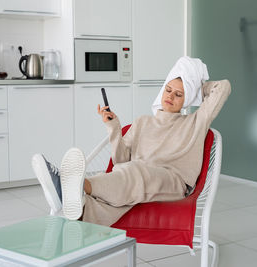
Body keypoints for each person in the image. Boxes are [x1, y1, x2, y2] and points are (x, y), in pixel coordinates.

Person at [32, 56, 231, 226]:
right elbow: (120, 161)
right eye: (168, 89)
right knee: (127, 176)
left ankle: (74, 185)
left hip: (172, 181)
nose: (170, 96)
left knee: (136, 172)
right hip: (136, 177)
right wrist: (114, 128)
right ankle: (79, 209)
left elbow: (223, 88)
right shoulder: (142, 122)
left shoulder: (195, 122)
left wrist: (196, 85)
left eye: (179, 94)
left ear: (187, 99)